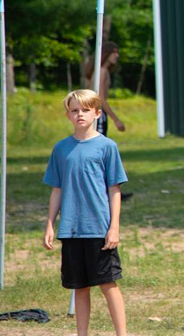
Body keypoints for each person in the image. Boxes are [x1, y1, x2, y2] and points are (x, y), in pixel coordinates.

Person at [42, 89, 128, 336]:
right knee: (79, 286)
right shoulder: (60, 149)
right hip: (70, 228)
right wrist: (50, 224)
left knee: (107, 283)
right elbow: (56, 190)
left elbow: (115, 190)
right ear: (68, 115)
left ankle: (122, 333)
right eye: (74, 110)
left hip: (99, 228)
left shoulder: (107, 147)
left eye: (85, 110)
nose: (80, 114)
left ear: (97, 114)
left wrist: (114, 227)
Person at [84, 41, 126, 137]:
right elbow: (100, 98)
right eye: (114, 52)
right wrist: (116, 120)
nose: (117, 55)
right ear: (105, 54)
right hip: (97, 112)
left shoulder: (102, 71)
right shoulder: (101, 71)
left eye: (117, 52)